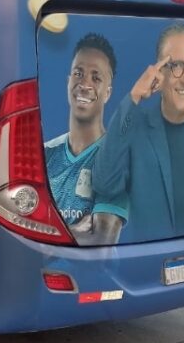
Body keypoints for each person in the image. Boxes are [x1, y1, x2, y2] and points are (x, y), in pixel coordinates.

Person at [93, 23, 184, 242]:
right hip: (151, 269)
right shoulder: (135, 130)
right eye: (175, 66)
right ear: (159, 72)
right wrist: (133, 98)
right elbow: (104, 183)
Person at [44, 33, 128, 244]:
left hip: (89, 277)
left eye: (96, 77)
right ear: (68, 81)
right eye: (78, 73)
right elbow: (20, 225)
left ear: (107, 93)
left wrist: (44, 233)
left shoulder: (115, 159)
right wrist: (74, 231)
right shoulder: (44, 154)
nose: (85, 84)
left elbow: (101, 240)